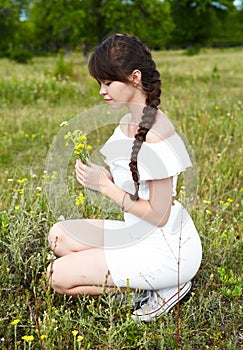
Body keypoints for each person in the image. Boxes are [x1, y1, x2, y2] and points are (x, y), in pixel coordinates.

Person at [47, 33, 202, 322]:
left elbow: (159, 215)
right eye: (100, 83)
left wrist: (105, 187)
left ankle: (162, 286)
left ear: (134, 77)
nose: (101, 91)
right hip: (137, 233)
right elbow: (135, 185)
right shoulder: (127, 121)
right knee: (58, 236)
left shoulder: (156, 134)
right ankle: (144, 281)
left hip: (168, 251)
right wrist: (107, 177)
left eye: (108, 82)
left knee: (57, 276)